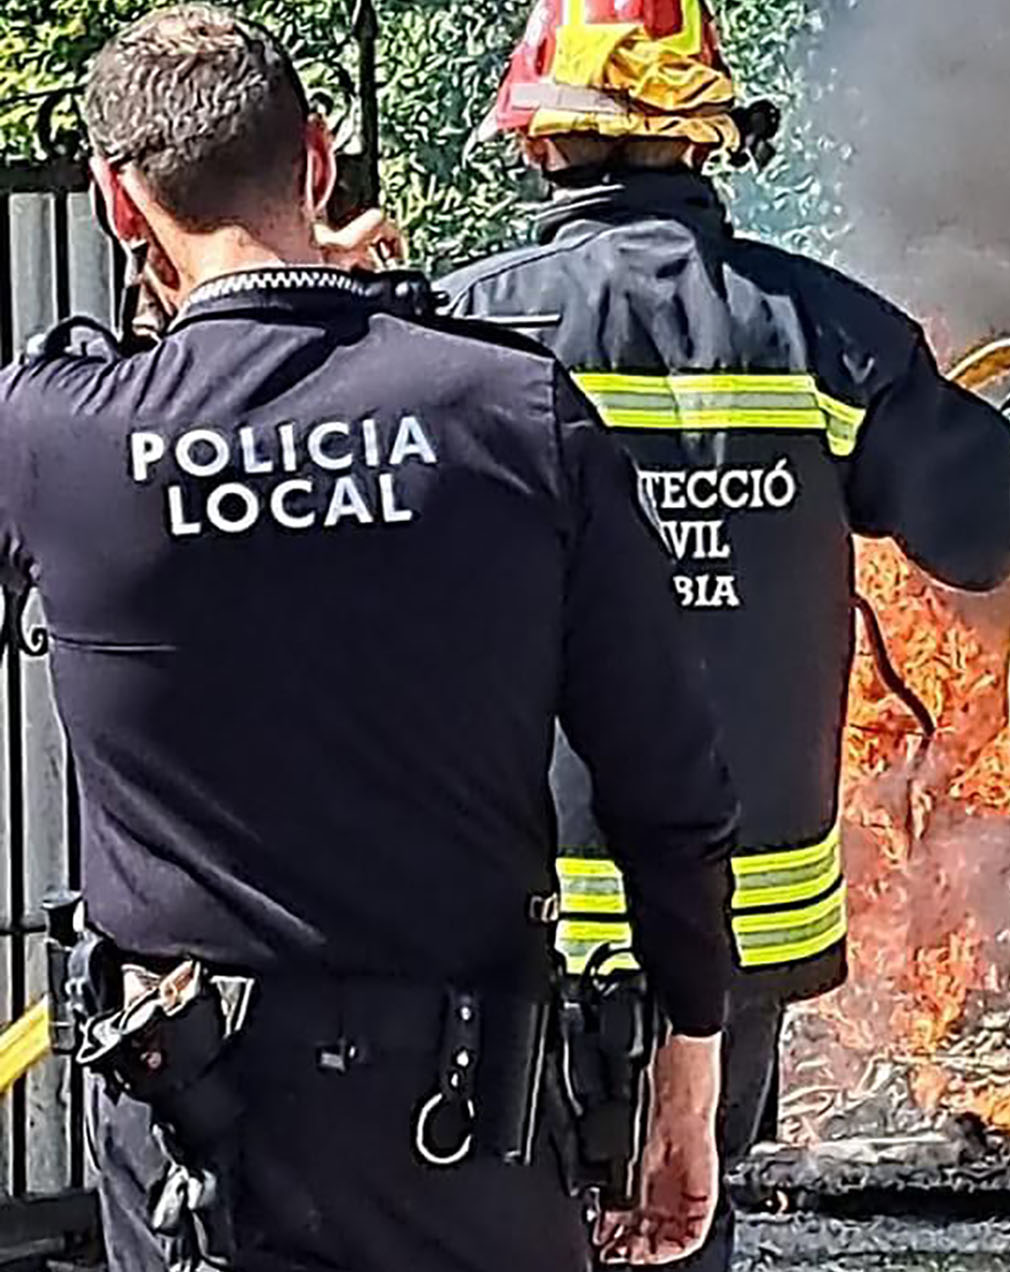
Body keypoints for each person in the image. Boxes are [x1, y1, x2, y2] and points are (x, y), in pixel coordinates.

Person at [2, 6, 739, 1269]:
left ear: (120, 208)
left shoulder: (55, 436)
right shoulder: (512, 412)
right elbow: (667, 783)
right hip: (468, 1138)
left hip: (198, 1141)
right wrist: (687, 1073)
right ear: (321, 156)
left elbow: (120, 387)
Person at [439, 1, 1010, 1266]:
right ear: (708, 139)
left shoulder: (460, 333)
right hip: (736, 927)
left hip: (508, 921)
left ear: (541, 144)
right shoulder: (824, 335)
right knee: (682, 1212)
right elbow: (991, 524)